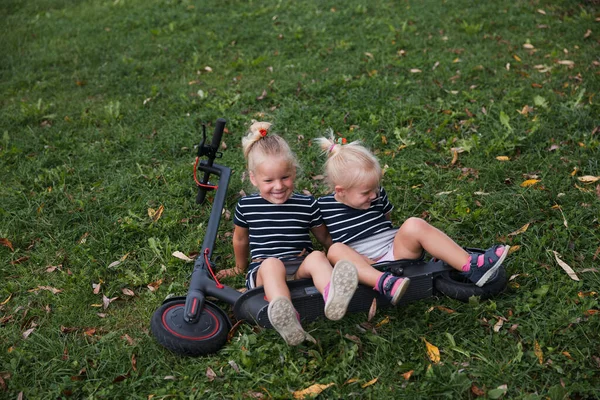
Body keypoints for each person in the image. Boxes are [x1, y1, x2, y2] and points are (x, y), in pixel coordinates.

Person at [314, 135, 509, 303]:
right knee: (335, 250)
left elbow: (386, 219)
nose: (374, 195)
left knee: (414, 224)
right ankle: (383, 283)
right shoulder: (323, 206)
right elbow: (325, 239)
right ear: (341, 191)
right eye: (366, 192)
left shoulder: (376, 194)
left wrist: (400, 238)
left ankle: (471, 266)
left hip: (396, 252)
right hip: (364, 264)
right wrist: (355, 257)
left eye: (375, 188)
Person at [216, 121, 359, 346]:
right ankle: (286, 314)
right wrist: (239, 267)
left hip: (298, 266)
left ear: (293, 172)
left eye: (284, 177)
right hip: (265, 271)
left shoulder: (307, 204)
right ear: (253, 179)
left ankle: (333, 295)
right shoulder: (247, 206)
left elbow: (324, 238)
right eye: (268, 180)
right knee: (273, 264)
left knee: (317, 257)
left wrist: (344, 251)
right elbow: (240, 239)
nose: (278, 186)